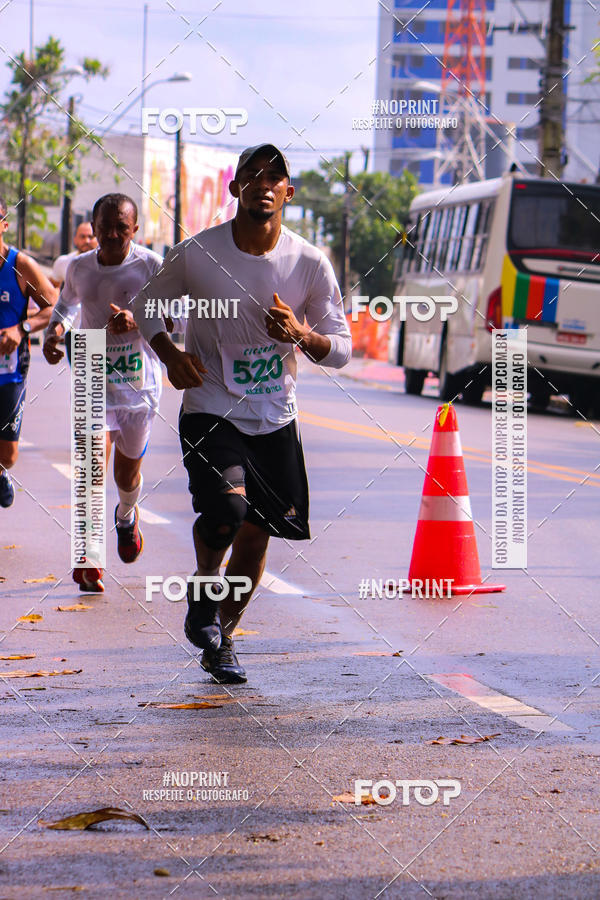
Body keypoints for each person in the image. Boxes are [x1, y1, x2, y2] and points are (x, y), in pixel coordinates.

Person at [133, 143, 352, 684]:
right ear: (236, 190)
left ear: (289, 193)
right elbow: (145, 305)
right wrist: (169, 352)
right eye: (251, 174)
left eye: (274, 176)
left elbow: (342, 348)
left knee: (256, 538)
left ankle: (220, 640)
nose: (263, 183)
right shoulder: (199, 253)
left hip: (275, 418)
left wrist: (301, 335)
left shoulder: (308, 261)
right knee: (227, 515)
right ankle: (204, 596)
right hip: (210, 408)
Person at [44, 193, 164, 593]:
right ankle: (88, 558)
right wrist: (55, 331)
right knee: (91, 467)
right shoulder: (79, 268)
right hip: (93, 366)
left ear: (135, 230)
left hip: (139, 382)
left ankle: (126, 517)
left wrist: (137, 319)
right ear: (92, 229)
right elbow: (64, 306)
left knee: (125, 473)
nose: (112, 236)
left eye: (121, 228)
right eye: (104, 228)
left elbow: (178, 317)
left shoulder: (151, 266)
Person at [0, 194, 56, 508]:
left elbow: (55, 308)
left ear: (4, 225)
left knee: (7, 454)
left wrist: (20, 329)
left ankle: (1, 472)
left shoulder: (20, 265)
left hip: (9, 372)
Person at [50, 222, 98, 365]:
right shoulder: (64, 262)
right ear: (75, 239)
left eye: (91, 236)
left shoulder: (108, 261)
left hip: (104, 330)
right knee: (85, 383)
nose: (87, 241)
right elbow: (53, 287)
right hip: (76, 331)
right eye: (82, 237)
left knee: (110, 383)